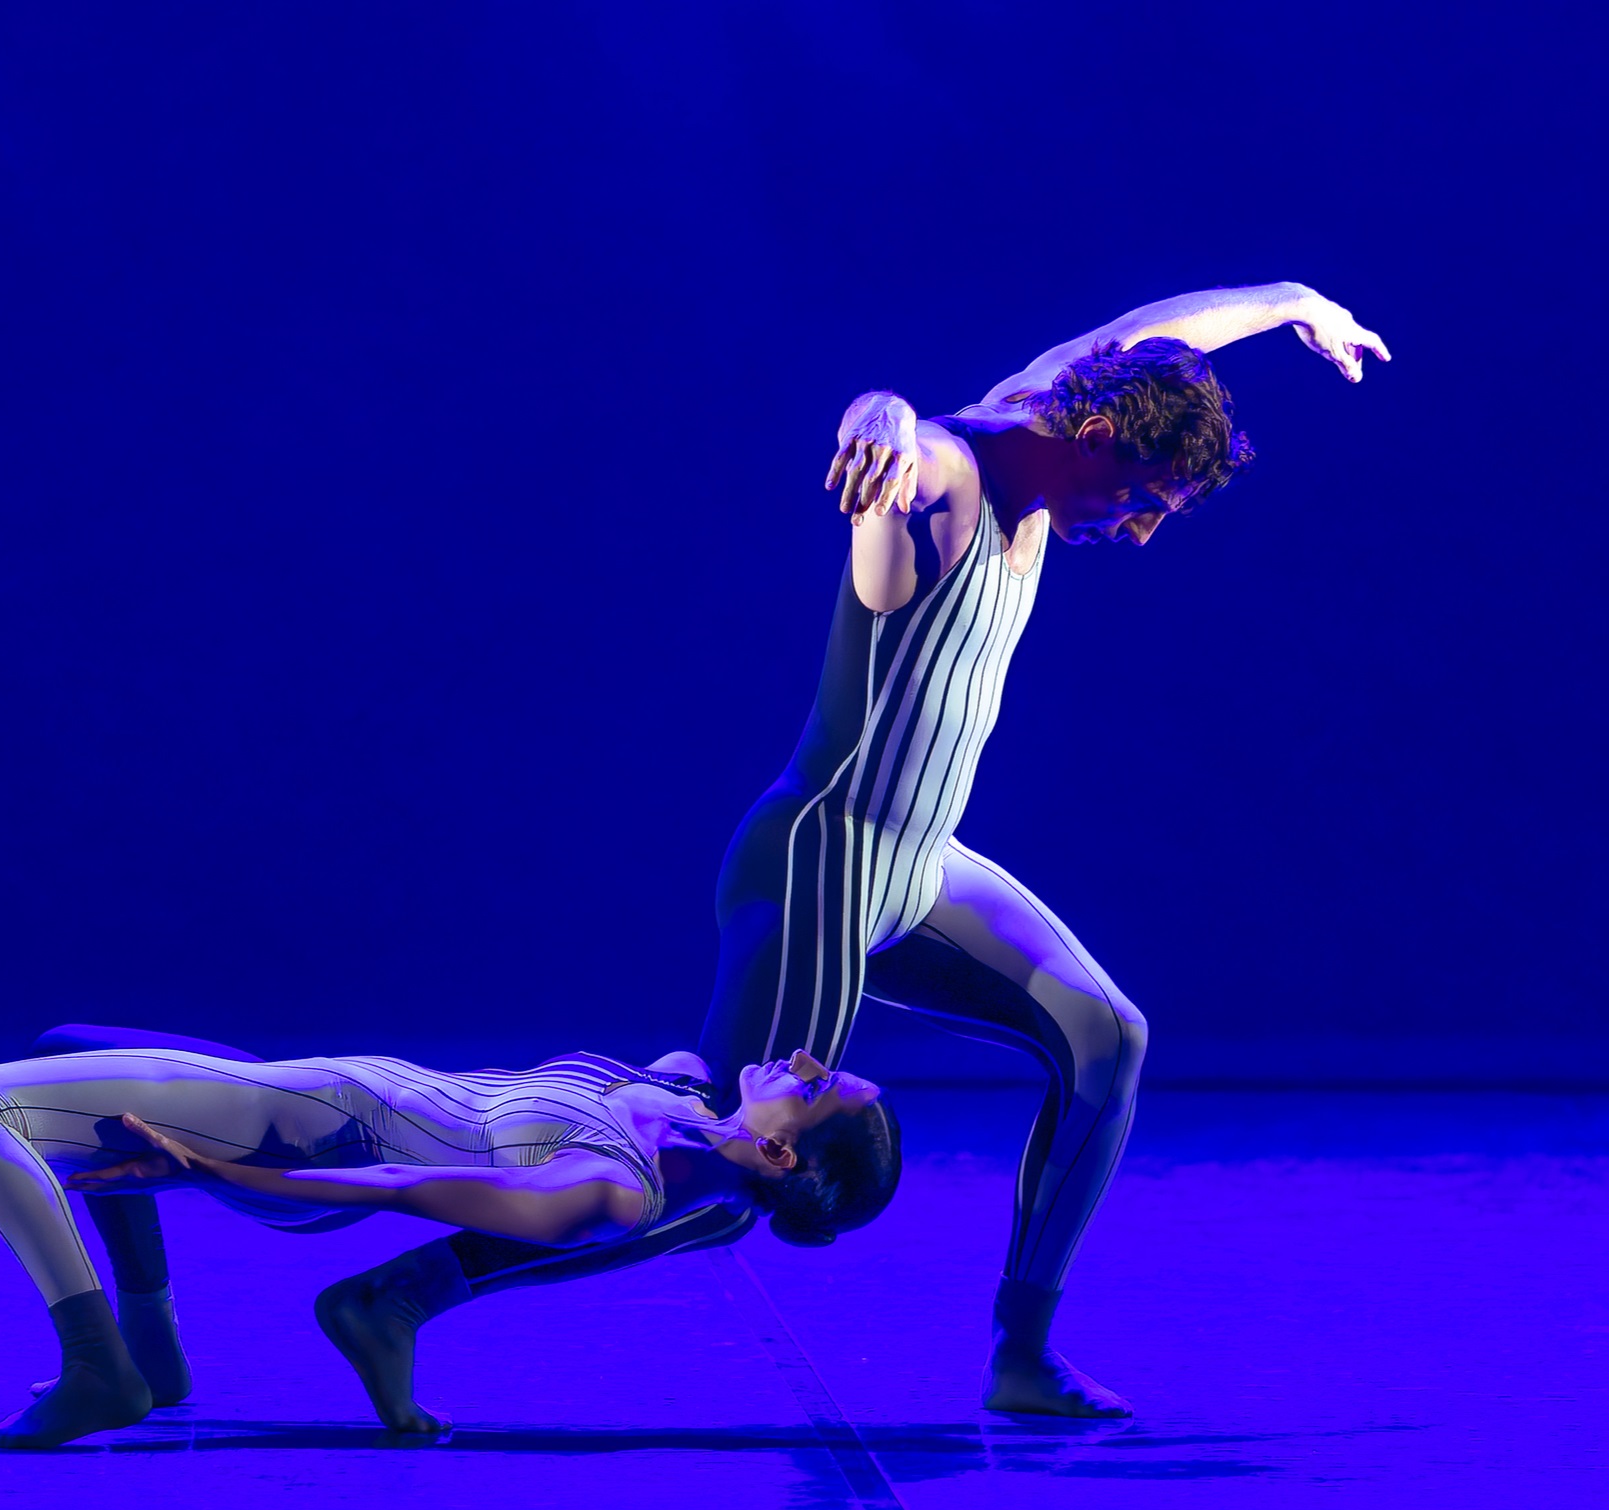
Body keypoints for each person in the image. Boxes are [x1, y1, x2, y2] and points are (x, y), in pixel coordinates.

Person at [317, 281, 1390, 1425]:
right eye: (1139, 501)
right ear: (1091, 438)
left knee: (1107, 1037)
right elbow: (896, 440)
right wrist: (878, 412)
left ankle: (1023, 1356)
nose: (1139, 532)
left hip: (916, 866)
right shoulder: (953, 470)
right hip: (820, 866)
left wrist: (1293, 303)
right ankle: (397, 1293)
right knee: (724, 1187)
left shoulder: (1064, 399)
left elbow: (1159, 330)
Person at [0, 1028, 899, 1449]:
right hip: (317, 1085)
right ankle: (153, 1353)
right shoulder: (679, 1093)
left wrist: (208, 1167)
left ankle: (99, 1369)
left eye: (816, 1084)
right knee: (65, 1045)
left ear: (780, 1153)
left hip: (296, 1131)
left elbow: (404, 1187)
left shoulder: (608, 1192)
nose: (803, 1057)